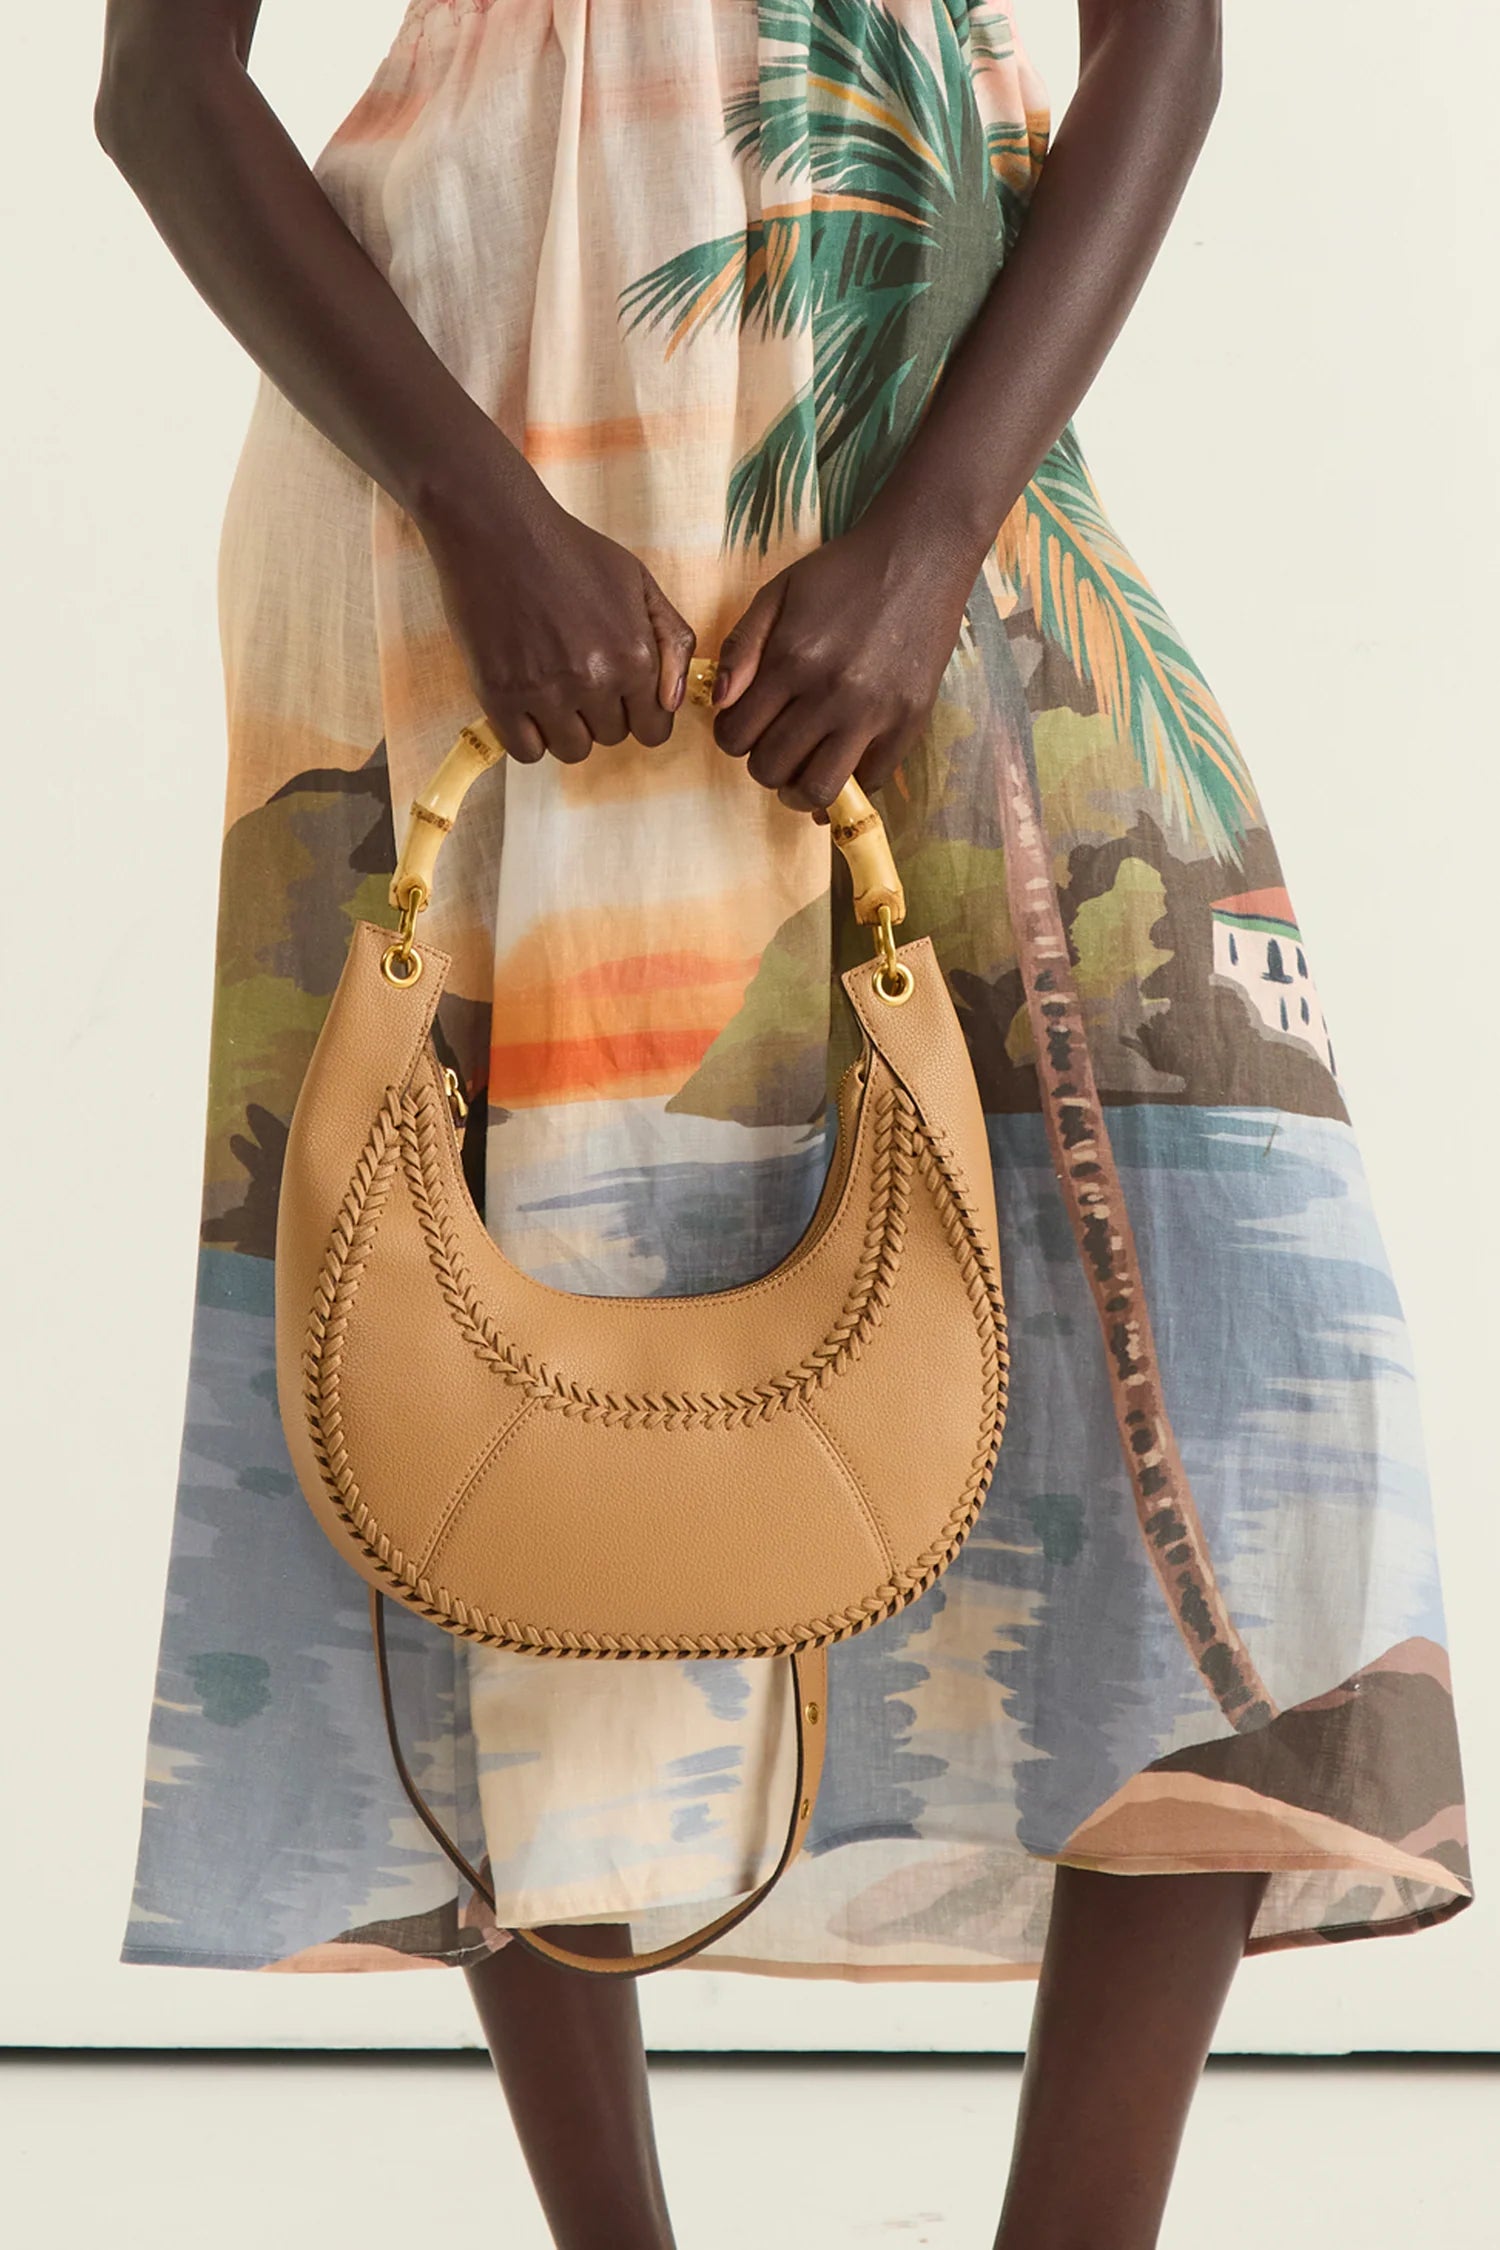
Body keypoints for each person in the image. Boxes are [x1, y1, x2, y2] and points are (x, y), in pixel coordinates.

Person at [97, 5, 1473, 2247]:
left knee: (1247, 1351)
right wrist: (475, 509)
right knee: (502, 1379)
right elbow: (159, 83)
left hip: (933, 457)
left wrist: (937, 536)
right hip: (467, 485)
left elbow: (1170, 39)